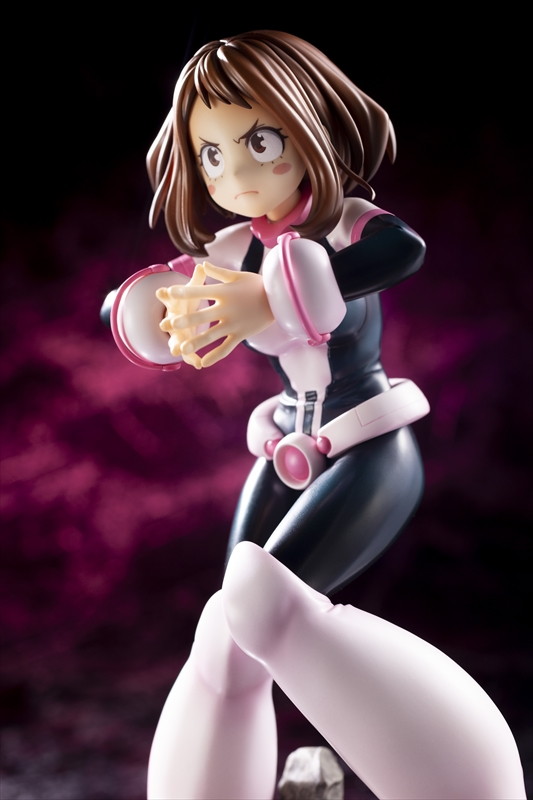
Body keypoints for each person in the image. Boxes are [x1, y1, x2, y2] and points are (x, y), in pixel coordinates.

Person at [105, 30, 526, 800]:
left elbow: (400, 252)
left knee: (264, 603)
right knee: (230, 623)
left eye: (259, 143)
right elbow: (142, 307)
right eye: (211, 155)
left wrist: (270, 296)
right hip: (287, 445)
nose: (235, 174)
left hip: (366, 444)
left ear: (308, 127)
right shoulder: (234, 247)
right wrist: (148, 314)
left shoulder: (342, 226)